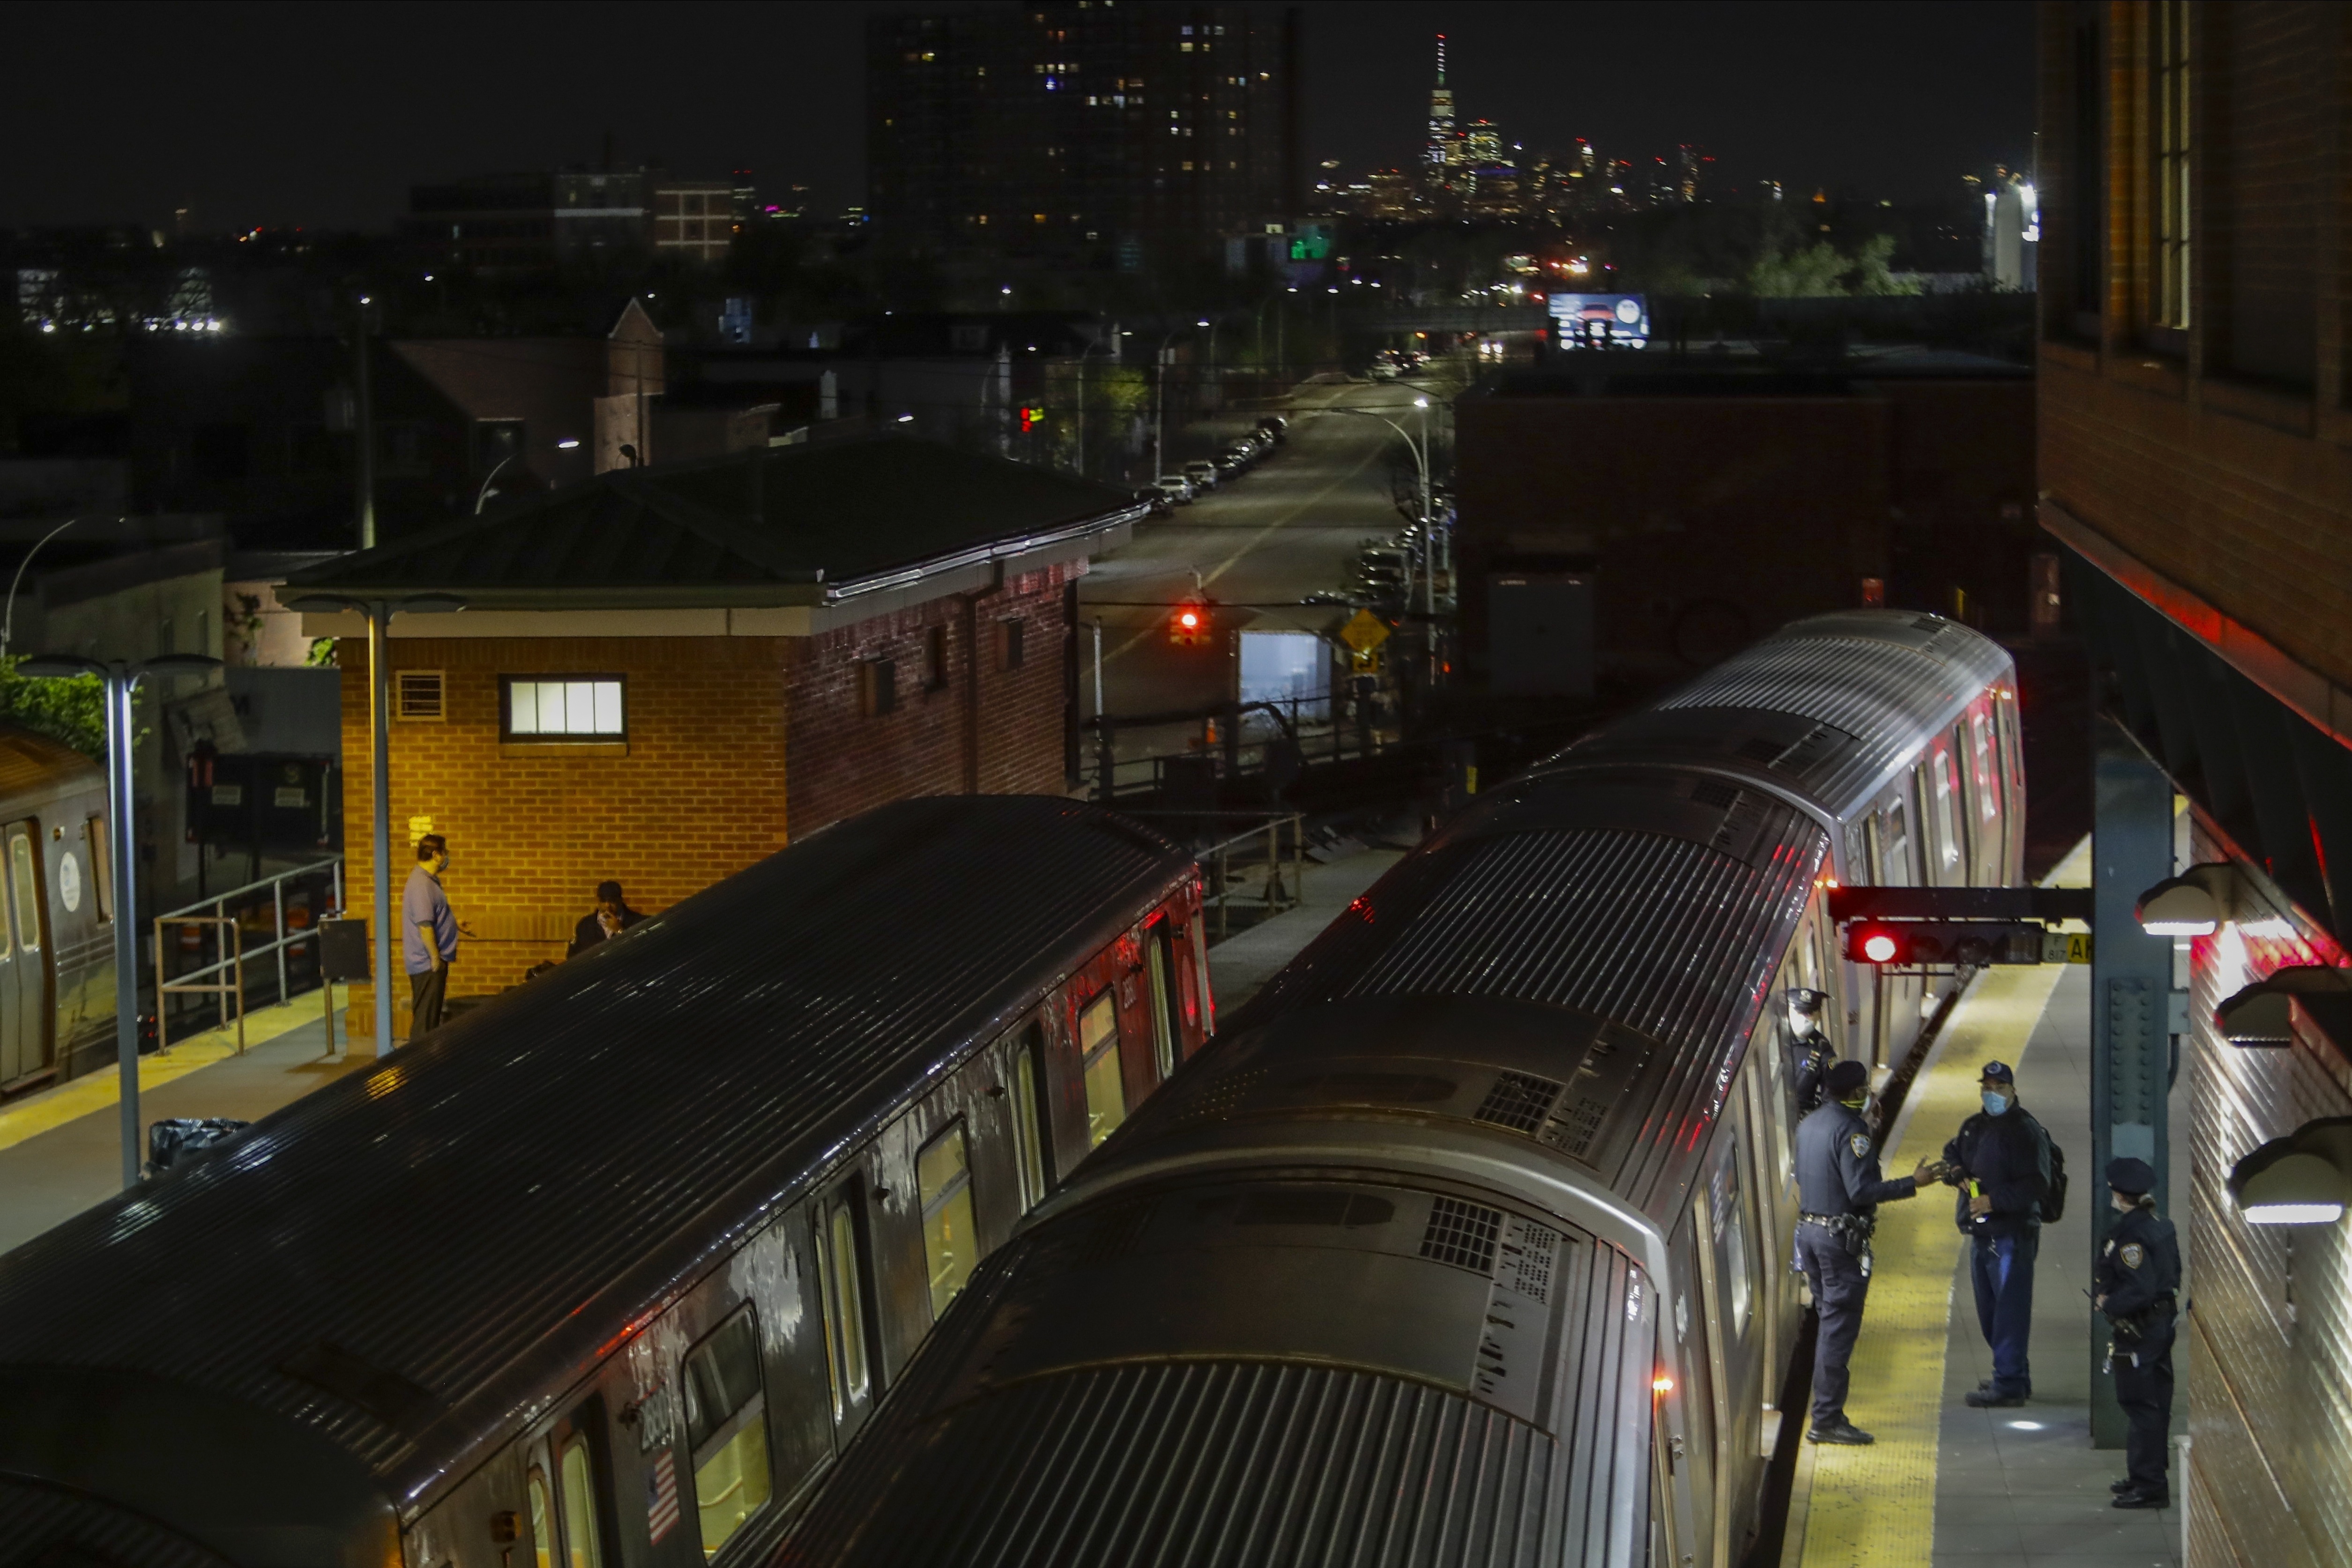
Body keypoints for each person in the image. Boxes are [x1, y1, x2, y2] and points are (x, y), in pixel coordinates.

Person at [1794, 1057, 1935, 1445]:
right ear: (1858, 1092)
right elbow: (1860, 1191)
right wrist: (1914, 1182)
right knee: (1837, 1331)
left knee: (1828, 1323)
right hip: (1839, 1241)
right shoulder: (1851, 1129)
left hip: (1809, 1232)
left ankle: (1826, 1413)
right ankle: (1826, 1419)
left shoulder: (1808, 1124)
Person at [1941, 1060, 2052, 1407]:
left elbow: (2038, 1183)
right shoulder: (1974, 1125)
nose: (1992, 1094)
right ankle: (2014, 1371)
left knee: (2009, 1310)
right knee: (1990, 1309)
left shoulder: (2025, 1131)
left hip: (2012, 1235)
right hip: (1982, 1234)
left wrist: (1993, 1201)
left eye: (1999, 1088)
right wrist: (1956, 1171)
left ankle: (2009, 1383)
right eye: (1987, 1088)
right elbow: (1952, 1152)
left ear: (2013, 1090)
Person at [2096, 1156, 2180, 1509]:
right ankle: (2146, 1473)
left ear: (2118, 1193)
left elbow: (2140, 1288)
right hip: (2160, 1324)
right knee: (2156, 1403)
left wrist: (2108, 1302)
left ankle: (2149, 1485)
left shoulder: (2131, 1236)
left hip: (2141, 1329)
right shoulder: (2161, 1224)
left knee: (2140, 1403)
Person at [403, 833, 460, 1041]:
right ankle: (417, 1065)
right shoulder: (422, 885)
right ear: (436, 855)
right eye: (445, 852)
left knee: (429, 1019)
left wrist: (455, 925)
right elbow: (425, 925)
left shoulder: (428, 881)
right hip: (428, 964)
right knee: (425, 1023)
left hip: (430, 962)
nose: (447, 857)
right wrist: (435, 957)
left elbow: (434, 916)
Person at [1785, 988, 1837, 1115]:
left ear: (1818, 1015)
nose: (1804, 1019)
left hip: (1802, 1115)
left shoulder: (1821, 1047)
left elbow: (1831, 1089)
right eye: (1799, 1013)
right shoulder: (1776, 1038)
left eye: (1809, 1014)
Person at [568, 880, 646, 958]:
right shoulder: (586, 926)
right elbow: (572, 957)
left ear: (620, 900)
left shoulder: (637, 922)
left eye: (612, 901)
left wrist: (620, 931)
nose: (607, 905)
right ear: (598, 901)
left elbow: (641, 953)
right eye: (603, 901)